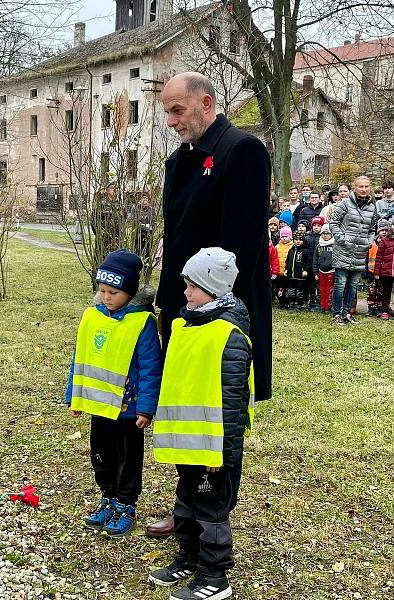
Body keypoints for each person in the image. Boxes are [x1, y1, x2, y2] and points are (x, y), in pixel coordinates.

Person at [151, 71, 271, 540]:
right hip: (182, 308)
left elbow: (240, 247)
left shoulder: (241, 151)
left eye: (177, 110)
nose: (170, 121)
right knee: (183, 409)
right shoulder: (180, 159)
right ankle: (185, 509)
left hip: (219, 313)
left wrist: (212, 307)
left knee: (216, 419)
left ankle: (210, 519)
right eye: (166, 111)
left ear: (206, 103)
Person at [149, 247, 252, 600]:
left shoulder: (230, 337)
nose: (186, 292)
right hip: (189, 443)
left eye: (193, 286)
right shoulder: (185, 325)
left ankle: (214, 577)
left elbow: (231, 403)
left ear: (215, 288)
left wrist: (222, 452)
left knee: (211, 512)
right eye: (186, 284)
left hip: (215, 450)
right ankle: (188, 558)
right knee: (186, 501)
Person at [65, 250, 161, 536]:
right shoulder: (91, 317)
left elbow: (150, 368)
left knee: (127, 457)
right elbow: (79, 357)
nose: (106, 297)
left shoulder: (142, 322)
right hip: (98, 404)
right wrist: (74, 394)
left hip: (128, 409)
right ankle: (107, 496)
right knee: (101, 454)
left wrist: (146, 408)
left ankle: (126, 503)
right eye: (102, 290)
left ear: (130, 292)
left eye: (114, 292)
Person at [329, 176, 377, 325]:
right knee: (340, 284)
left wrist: (369, 241)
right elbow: (333, 223)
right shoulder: (344, 204)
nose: (363, 189)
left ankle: (347, 313)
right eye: (360, 186)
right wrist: (342, 239)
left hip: (360, 251)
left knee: (353, 284)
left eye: (366, 186)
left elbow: (372, 228)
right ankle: (336, 313)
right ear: (354, 187)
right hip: (343, 249)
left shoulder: (372, 207)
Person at [366, 219, 389, 316]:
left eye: (386, 230)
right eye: (381, 230)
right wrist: (365, 271)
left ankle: (380, 307)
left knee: (381, 291)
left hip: (383, 272)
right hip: (371, 271)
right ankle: (371, 307)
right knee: (371, 290)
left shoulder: (389, 243)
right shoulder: (372, 243)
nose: (384, 232)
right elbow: (366, 257)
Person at [303, 217, 323, 311]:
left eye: (318, 225)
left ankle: (318, 302)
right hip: (308, 264)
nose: (316, 227)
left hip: (319, 265)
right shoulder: (307, 237)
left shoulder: (322, 239)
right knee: (308, 284)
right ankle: (307, 301)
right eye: (314, 225)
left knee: (318, 285)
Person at [313, 224, 334, 313]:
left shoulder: (334, 246)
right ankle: (322, 306)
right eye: (323, 233)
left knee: (330, 290)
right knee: (322, 290)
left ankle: (328, 307)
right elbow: (315, 259)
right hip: (321, 271)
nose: (325, 235)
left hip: (331, 271)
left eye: (327, 233)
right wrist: (315, 272)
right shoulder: (319, 246)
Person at [282, 231, 306, 310]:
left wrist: (306, 270)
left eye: (300, 239)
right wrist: (286, 269)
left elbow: (308, 263)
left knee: (299, 291)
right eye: (296, 239)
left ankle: (298, 304)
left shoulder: (305, 251)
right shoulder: (291, 250)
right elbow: (287, 261)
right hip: (291, 275)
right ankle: (291, 304)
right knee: (291, 291)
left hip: (300, 276)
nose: (298, 241)